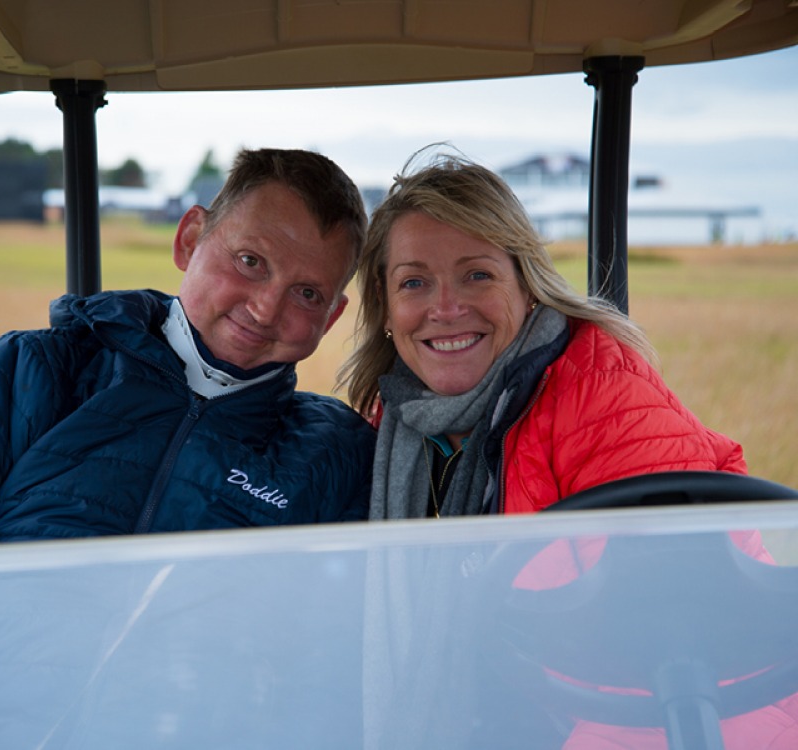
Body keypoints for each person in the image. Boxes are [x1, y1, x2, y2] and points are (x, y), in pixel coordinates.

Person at [341, 149, 798, 749]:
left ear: (526, 283)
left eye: (477, 274)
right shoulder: (393, 424)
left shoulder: (602, 392)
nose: (445, 307)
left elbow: (676, 641)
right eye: (415, 282)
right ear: (387, 305)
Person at [0, 147, 376, 552]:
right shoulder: (27, 375)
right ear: (190, 240)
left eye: (306, 293)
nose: (265, 308)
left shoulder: (336, 456)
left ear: (331, 318)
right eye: (250, 262)